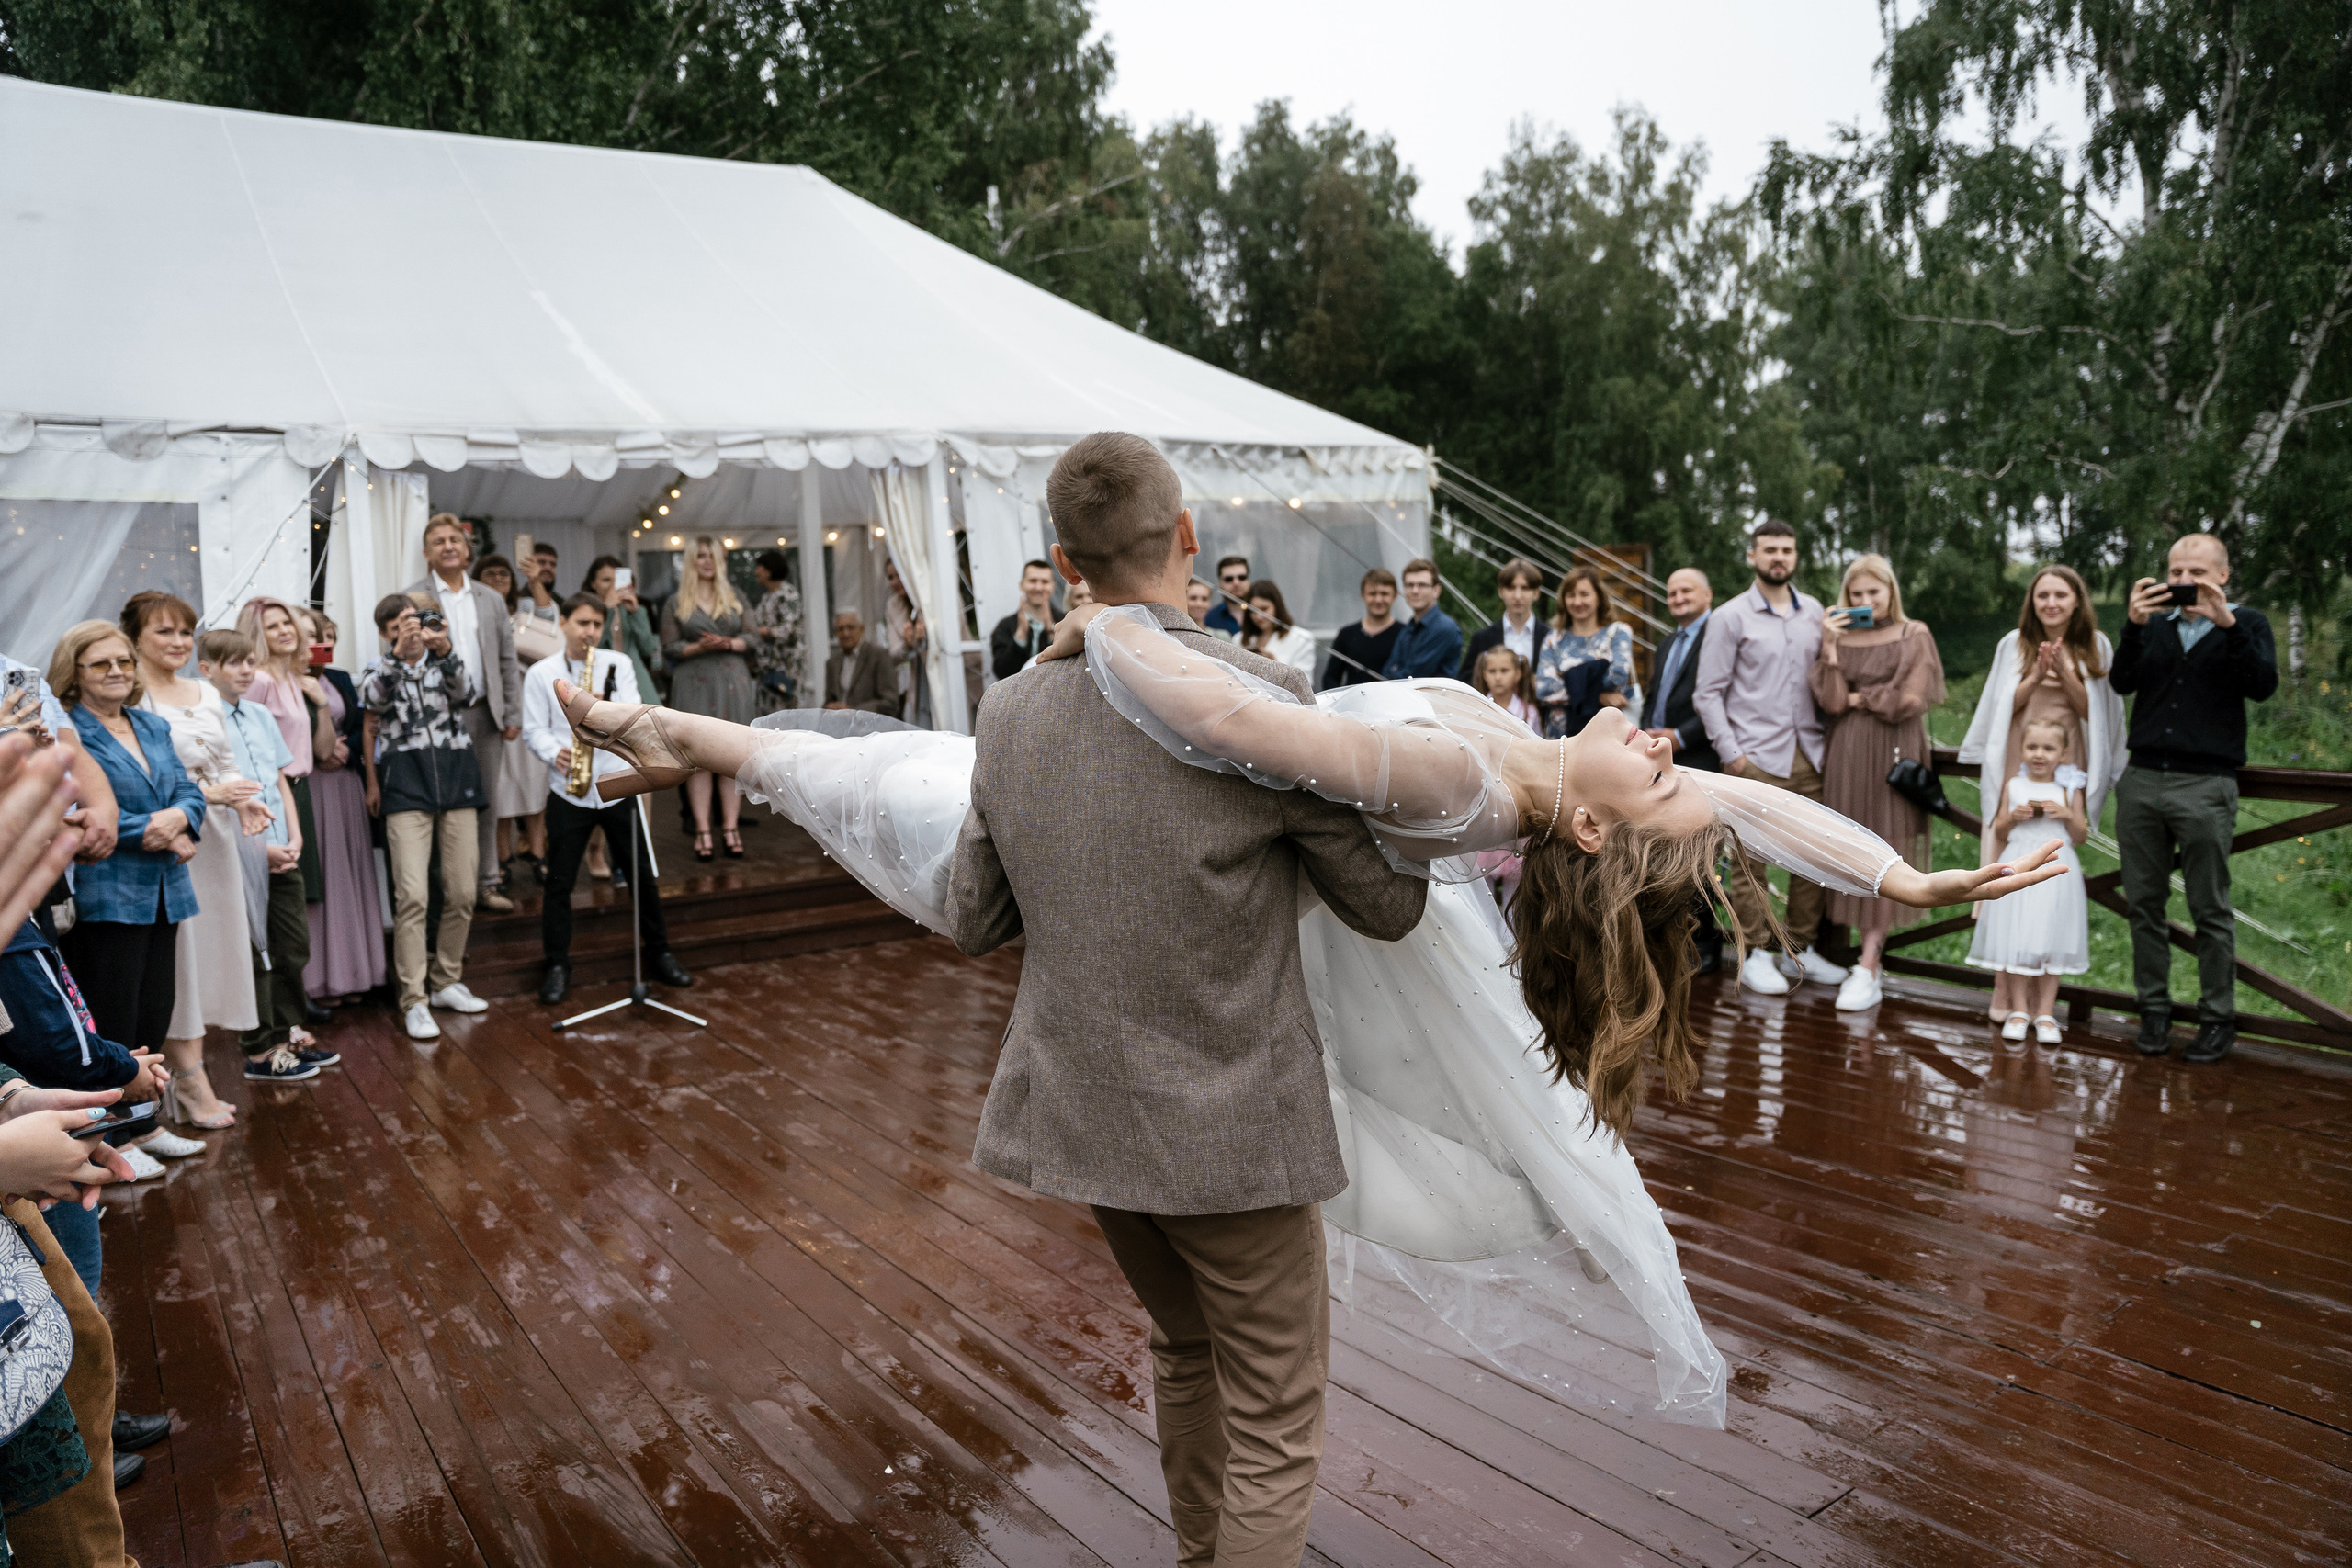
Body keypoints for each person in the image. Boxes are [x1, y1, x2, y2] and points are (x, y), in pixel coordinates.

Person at [555, 430, 2063, 1446]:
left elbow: (1198, 743)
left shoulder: (1458, 773)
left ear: (1594, 828)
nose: (1659, 744)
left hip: (1114, 985)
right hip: (1189, 998)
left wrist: (1103, 629)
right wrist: (1895, 879)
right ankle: (659, 736)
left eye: (1652, 768)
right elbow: (1721, 803)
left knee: (893, 773)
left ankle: (660, 734)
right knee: (887, 772)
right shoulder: (1538, 759)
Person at [2112, 533, 2278, 1064]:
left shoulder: (2249, 624)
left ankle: (2216, 1017)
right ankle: (2154, 1010)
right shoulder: (2154, 626)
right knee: (2144, 904)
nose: (2183, 582)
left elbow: (2262, 685)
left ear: (2222, 576)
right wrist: (2134, 626)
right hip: (2141, 782)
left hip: (2206, 785)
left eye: (2196, 573)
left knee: (2209, 907)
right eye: (2175, 572)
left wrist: (2227, 625)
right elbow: (2121, 681)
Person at [1956, 564, 2125, 1023]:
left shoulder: (2096, 646)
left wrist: (2065, 673)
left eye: (2060, 595)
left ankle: (2040, 973)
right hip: (2020, 748)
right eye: (2042, 595)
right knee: (2004, 839)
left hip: (2068, 752)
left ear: (2076, 601)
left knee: (2058, 836)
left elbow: (2101, 712)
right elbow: (1999, 705)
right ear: (2033, 602)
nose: (2050, 603)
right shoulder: (2013, 644)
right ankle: (2002, 981)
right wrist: (2036, 674)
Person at [1692, 519, 1850, 998]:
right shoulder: (1730, 616)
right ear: (1752, 556)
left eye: (1786, 549)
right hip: (1755, 756)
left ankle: (1797, 949)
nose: (1778, 557)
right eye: (1769, 550)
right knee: (1749, 862)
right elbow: (1708, 693)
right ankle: (1755, 952)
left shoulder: (1816, 614)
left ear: (1796, 555)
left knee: (1814, 856)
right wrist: (1733, 755)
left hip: (1810, 755)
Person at [51, 621, 205, 1103]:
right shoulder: (66, 731)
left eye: (123, 661)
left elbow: (187, 788)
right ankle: (115, 1136)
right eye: (101, 663)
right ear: (74, 673)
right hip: (107, 892)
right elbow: (77, 814)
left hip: (166, 892)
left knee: (155, 1013)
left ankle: (145, 1119)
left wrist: (180, 817)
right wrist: (158, 833)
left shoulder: (151, 724)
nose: (116, 671)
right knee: (112, 1018)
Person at [124, 592, 258, 1126]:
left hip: (217, 840)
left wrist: (245, 798)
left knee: (215, 956)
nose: (179, 643)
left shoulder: (203, 691)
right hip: (170, 846)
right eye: (164, 633)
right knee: (181, 963)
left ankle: (192, 1073)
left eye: (185, 632)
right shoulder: (131, 697)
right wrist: (203, 802)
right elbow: (139, 782)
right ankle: (186, 1079)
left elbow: (224, 762)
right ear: (135, 638)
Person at [522, 594, 692, 1007]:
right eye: (581, 623)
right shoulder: (542, 673)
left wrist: (603, 708)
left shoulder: (618, 664)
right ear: (562, 623)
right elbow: (533, 729)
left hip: (617, 783)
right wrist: (553, 752)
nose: (590, 632)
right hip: (569, 788)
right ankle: (557, 963)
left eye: (597, 624)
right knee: (559, 883)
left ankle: (660, 952)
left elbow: (636, 717)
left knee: (640, 875)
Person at [1808, 554, 1947, 1012]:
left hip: (1892, 752)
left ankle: (1868, 964)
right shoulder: (1840, 638)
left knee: (1886, 850)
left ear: (1891, 592)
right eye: (1857, 594)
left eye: (1874, 592)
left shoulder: (1914, 633)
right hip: (1847, 752)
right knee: (1846, 848)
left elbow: (1910, 699)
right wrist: (1830, 650)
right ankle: (1844, 956)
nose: (1866, 601)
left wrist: (1859, 696)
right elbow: (1829, 701)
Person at [361, 592, 492, 1043]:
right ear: (385, 632)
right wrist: (398, 658)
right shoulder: (377, 669)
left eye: (415, 621)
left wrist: (446, 649)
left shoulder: (443, 663)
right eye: (400, 624)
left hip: (457, 783)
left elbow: (468, 694)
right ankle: (414, 998)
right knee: (412, 895)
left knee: (462, 889)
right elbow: (372, 702)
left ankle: (447, 980)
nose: (412, 629)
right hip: (405, 789)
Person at [204, 628, 332, 1083]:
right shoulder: (204, 719)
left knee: (292, 944)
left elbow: (281, 780)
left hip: (283, 843)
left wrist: (295, 837)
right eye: (233, 663)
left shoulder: (258, 714)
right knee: (257, 950)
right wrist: (262, 847)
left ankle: (288, 1029)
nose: (244, 670)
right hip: (243, 849)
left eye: (248, 662)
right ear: (207, 670)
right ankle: (261, 1048)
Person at [404, 513, 522, 916]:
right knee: (442, 804)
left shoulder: (490, 598)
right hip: (435, 720)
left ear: (467, 549)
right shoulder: (412, 599)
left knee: (486, 800)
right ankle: (450, 892)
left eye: (454, 539)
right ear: (426, 553)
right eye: (438, 541)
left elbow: (507, 660)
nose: (448, 546)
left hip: (485, 715)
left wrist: (512, 712)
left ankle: (487, 883)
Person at [234, 597, 337, 1027]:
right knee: (276, 914)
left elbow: (313, 748)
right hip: (270, 798)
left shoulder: (293, 677)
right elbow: (247, 747)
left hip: (298, 794)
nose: (284, 631)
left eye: (287, 623)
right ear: (257, 635)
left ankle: (293, 1006)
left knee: (298, 903)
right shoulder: (258, 680)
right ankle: (276, 1019)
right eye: (272, 625)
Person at [1968, 716, 2090, 1042]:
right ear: (2021, 749)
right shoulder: (2014, 785)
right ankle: (2019, 1009)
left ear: (2063, 753)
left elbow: (2081, 835)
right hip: (2019, 863)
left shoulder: (2069, 787)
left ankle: (2046, 1012)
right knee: (2016, 937)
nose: (2039, 754)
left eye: (2049, 748)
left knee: (2053, 937)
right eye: (2032, 746)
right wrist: (2012, 817)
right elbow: (2001, 830)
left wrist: (2067, 814)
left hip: (2056, 869)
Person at [297, 610, 385, 1008]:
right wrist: (317, 755)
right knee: (318, 879)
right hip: (309, 788)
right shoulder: (281, 681)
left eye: (330, 636)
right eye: (317, 636)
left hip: (344, 788)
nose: (324, 644)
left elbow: (360, 726)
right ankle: (317, 980)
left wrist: (346, 754)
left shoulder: (341, 679)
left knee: (348, 876)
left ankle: (354, 973)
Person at [1643, 568, 1724, 974]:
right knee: (1668, 853)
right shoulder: (1668, 642)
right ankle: (1673, 942)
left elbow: (1724, 699)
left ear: (1708, 594)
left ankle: (1707, 945)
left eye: (1686, 590)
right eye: (1672, 592)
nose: (1678, 598)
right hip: (1661, 759)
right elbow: (1657, 695)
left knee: (1702, 855)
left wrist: (1681, 736)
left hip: (1702, 756)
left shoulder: (1718, 637)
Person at [661, 534, 755, 862]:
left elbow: (753, 638)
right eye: (701, 555)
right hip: (693, 681)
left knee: (732, 760)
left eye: (713, 556)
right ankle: (703, 829)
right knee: (698, 760)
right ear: (691, 561)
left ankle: (730, 828)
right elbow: (668, 648)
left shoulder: (736, 596)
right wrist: (698, 647)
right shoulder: (675, 602)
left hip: (732, 680)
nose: (707, 561)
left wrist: (730, 643)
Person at [471, 556, 553, 891]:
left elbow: (550, 622)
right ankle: (501, 857)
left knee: (533, 781)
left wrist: (535, 581)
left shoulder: (523, 612)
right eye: (489, 573)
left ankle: (538, 852)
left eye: (503, 573)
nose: (497, 578)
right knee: (500, 786)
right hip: (494, 709)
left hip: (530, 706)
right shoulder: (473, 615)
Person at [1534, 565, 1634, 739]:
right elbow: (1545, 689)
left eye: (1584, 594)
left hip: (1607, 734)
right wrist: (1599, 695)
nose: (1577, 602)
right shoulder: (1554, 639)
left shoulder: (1618, 633)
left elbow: (1617, 676)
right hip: (1561, 736)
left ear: (1598, 597)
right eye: (1571, 595)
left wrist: (1571, 680)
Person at [583, 555, 661, 702]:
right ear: (593, 583)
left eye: (617, 580)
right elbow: (590, 648)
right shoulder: (587, 613)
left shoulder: (637, 610)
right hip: (601, 679)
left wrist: (636, 613)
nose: (613, 586)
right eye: (606, 580)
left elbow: (649, 648)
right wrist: (607, 610)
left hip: (637, 679)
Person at [1458, 558, 1547, 683]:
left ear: (1536, 593)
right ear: (1501, 592)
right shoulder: (1482, 639)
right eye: (1511, 588)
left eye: (1525, 588)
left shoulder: (1550, 637)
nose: (1517, 596)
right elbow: (1467, 683)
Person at [1381, 558, 1462, 681]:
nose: (1415, 591)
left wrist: (1396, 671)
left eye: (1422, 585)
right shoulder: (1409, 627)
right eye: (1409, 585)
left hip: (1433, 699)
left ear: (1436, 590)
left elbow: (1412, 676)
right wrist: (1396, 672)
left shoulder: (1445, 628)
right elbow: (1386, 671)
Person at [1319, 567, 1400, 689]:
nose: (1378, 599)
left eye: (1384, 594)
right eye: (1372, 594)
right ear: (1363, 595)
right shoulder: (1346, 634)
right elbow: (1330, 677)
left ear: (1395, 595)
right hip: (1352, 705)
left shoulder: (1406, 634)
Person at [746, 548, 806, 714]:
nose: (756, 572)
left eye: (760, 568)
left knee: (786, 711)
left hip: (786, 665)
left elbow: (790, 628)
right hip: (767, 666)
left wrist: (765, 631)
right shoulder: (767, 597)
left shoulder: (788, 594)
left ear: (769, 570)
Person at [989, 560, 1059, 680]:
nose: (1038, 587)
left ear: (1053, 586)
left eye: (1045, 582)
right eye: (1033, 581)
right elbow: (1001, 672)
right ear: (1022, 585)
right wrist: (1020, 635)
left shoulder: (1064, 620)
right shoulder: (1005, 626)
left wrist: (1051, 633)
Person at [824, 610, 901, 716]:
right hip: (841, 728)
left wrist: (853, 711)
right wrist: (829, 707)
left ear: (861, 629)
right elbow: (828, 702)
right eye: (840, 629)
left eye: (850, 627)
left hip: (873, 727)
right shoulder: (832, 663)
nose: (845, 633)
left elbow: (890, 702)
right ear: (835, 633)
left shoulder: (878, 655)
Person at [1238, 579, 1317, 675]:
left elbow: (1305, 684)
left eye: (1264, 609)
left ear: (1277, 607)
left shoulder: (1301, 639)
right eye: (1253, 611)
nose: (1258, 616)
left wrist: (1276, 665)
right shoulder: (1239, 639)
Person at [1474, 644, 1542, 732]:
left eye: (1504, 671)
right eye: (1492, 671)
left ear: (1517, 674)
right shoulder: (1476, 709)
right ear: (1484, 675)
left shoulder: (1530, 713)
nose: (1498, 677)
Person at [1204, 553, 1251, 639]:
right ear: (1220, 583)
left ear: (1248, 579)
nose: (1236, 583)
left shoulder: (1264, 613)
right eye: (1229, 579)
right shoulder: (1209, 618)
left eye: (1242, 577)